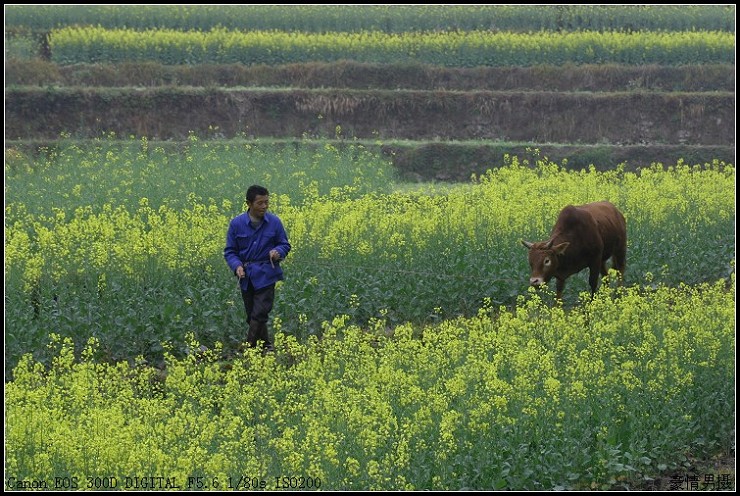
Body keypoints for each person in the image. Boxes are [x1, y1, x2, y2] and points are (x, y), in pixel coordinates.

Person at [224, 185, 291, 352]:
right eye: (260, 203)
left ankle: (249, 348)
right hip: (246, 276)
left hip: (267, 273)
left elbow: (284, 244)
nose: (264, 206)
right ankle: (266, 346)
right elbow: (230, 251)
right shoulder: (237, 224)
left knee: (259, 313)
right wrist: (237, 265)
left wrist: (278, 252)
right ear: (249, 203)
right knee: (252, 316)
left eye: (266, 202)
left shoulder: (274, 222)